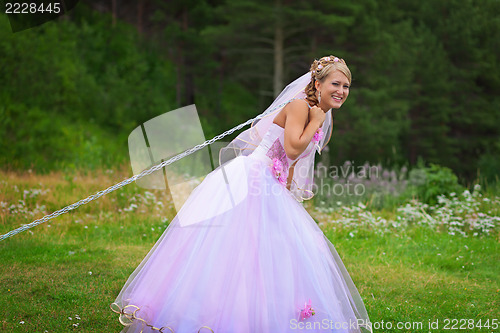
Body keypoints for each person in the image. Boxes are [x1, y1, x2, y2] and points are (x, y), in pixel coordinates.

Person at [111, 56, 373, 333]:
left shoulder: (316, 116)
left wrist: (287, 198)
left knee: (271, 254)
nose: (342, 91)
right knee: (230, 248)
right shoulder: (299, 107)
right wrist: (315, 121)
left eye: (346, 86)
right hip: (250, 178)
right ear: (318, 83)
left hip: (272, 186)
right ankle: (204, 314)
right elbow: (294, 147)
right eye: (336, 83)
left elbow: (292, 162)